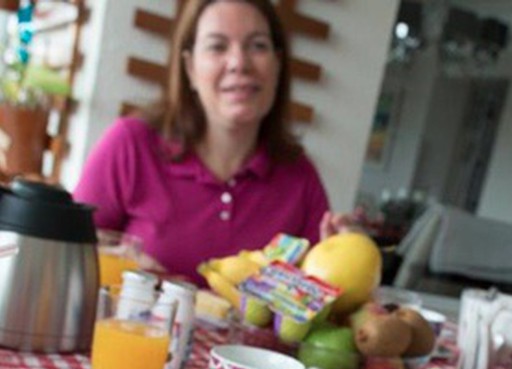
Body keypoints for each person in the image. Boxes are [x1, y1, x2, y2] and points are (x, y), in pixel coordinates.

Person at [74, 0, 350, 282]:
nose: (239, 63)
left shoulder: (301, 179)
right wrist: (119, 268)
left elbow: (318, 310)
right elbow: (68, 252)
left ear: (278, 65)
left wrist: (343, 267)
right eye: (218, 46)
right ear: (190, 68)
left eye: (257, 46)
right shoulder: (131, 146)